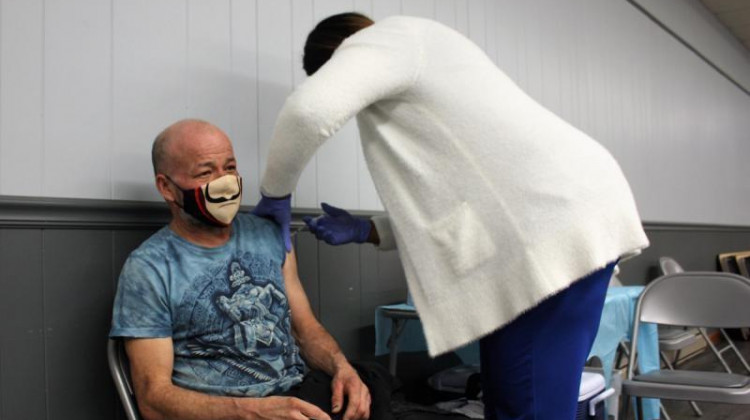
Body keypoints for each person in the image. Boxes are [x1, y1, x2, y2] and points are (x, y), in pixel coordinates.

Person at [252, 13, 650, 420]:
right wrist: (369, 230)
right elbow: (463, 200)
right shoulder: (428, 66)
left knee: (526, 402)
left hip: (553, 223)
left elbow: (308, 112)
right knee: (508, 394)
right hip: (556, 216)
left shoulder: (393, 38)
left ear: (341, 55)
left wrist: (275, 195)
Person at [109, 119, 378, 420]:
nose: (224, 181)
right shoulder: (149, 269)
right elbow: (153, 400)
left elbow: (306, 332)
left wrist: (342, 368)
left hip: (300, 398)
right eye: (206, 172)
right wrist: (253, 412)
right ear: (167, 188)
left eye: (230, 167)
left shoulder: (270, 236)